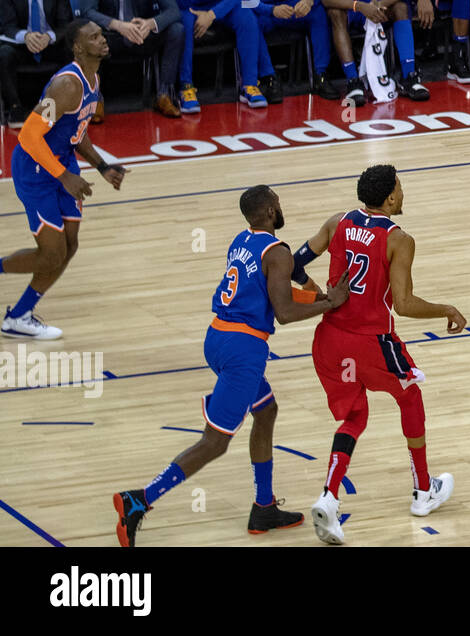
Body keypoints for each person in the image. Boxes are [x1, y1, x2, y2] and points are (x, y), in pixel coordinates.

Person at [110, 187, 350, 547]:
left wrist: (318, 296)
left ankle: (264, 507)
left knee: (266, 411)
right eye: (278, 202)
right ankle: (139, 499)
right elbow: (283, 312)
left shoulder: (242, 241)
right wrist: (330, 304)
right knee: (215, 442)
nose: (281, 207)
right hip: (244, 350)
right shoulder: (279, 252)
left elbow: (271, 292)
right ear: (270, 210)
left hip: (218, 338)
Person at [293, 165, 466, 543]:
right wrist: (446, 309)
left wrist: (319, 295)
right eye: (400, 189)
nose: (403, 195)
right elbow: (403, 305)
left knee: (354, 416)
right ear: (389, 197)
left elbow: (293, 263)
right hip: (371, 342)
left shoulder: (337, 222)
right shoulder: (398, 239)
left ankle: (329, 496)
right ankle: (423, 491)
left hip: (329, 340)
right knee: (411, 397)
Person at [1, 17, 120, 340]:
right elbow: (28, 136)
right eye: (94, 37)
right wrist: (65, 176)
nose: (103, 39)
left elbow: (76, 132)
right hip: (37, 170)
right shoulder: (67, 85)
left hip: (61, 164)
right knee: (51, 253)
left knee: (69, 246)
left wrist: (102, 166)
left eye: (102, 34)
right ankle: (16, 311)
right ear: (78, 47)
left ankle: (19, 316)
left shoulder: (93, 79)